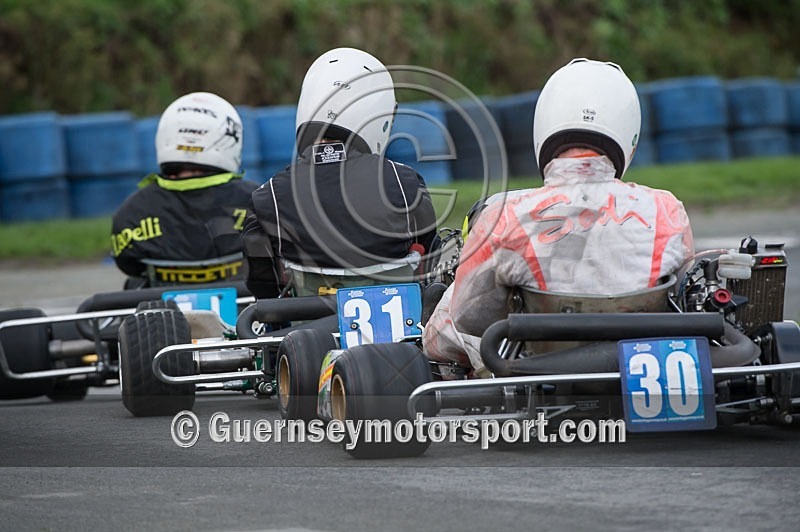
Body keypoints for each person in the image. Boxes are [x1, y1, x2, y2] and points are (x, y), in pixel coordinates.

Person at [423, 58, 695, 377]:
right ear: (629, 135)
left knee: (442, 318)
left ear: (545, 125)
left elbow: (468, 320)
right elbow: (684, 298)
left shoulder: (504, 215)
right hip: (641, 371)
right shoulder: (666, 210)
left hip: (537, 384)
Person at [242, 47, 437, 299]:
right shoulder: (404, 182)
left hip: (306, 327)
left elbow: (261, 285)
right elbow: (431, 259)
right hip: (402, 330)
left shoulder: (269, 195)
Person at [111, 92, 259, 287]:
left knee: (134, 283)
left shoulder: (132, 212)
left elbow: (128, 265)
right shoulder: (258, 200)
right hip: (246, 311)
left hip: (164, 311)